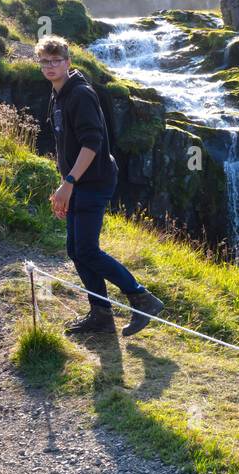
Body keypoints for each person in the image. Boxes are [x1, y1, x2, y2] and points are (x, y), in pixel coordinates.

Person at [36, 35, 165, 337]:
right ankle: (101, 314)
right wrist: (65, 182)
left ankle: (141, 297)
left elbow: (91, 143)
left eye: (56, 61)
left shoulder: (79, 94)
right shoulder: (59, 94)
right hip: (79, 181)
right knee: (76, 249)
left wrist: (68, 183)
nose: (50, 66)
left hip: (93, 181)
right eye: (45, 61)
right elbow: (67, 144)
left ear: (68, 62)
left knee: (88, 250)